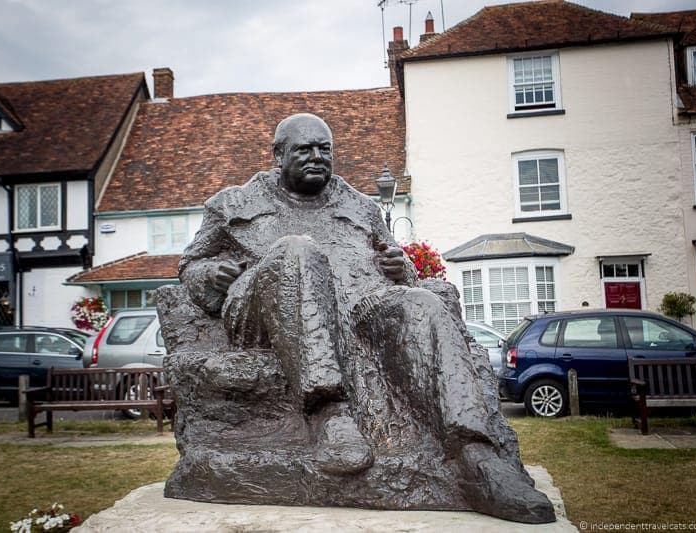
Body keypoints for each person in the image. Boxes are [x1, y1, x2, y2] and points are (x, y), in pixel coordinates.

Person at [178, 113, 554, 523]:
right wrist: (209, 275)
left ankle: (475, 455)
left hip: (359, 304)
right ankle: (330, 415)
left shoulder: (360, 206)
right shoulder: (233, 204)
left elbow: (398, 264)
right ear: (278, 154)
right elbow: (191, 266)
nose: (317, 157)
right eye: (305, 150)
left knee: (422, 303)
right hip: (266, 312)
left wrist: (401, 269)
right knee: (297, 250)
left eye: (325, 150)